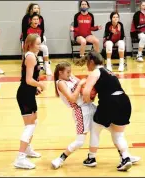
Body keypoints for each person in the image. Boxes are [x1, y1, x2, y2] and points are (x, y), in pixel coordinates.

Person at [81, 51, 140, 171]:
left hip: (110, 102)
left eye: (87, 63)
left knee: (95, 128)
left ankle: (91, 158)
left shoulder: (95, 72)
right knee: (118, 134)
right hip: (124, 101)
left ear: (91, 62)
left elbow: (87, 91)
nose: (87, 66)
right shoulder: (109, 71)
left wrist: (87, 102)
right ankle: (126, 156)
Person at [51, 62, 98, 169]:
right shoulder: (61, 83)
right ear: (60, 73)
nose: (70, 74)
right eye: (68, 72)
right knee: (80, 142)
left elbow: (84, 82)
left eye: (70, 71)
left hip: (89, 105)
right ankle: (60, 159)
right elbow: (72, 98)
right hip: (80, 111)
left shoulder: (70, 77)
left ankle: (124, 154)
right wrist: (80, 85)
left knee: (109, 125)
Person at [14, 34, 45, 169]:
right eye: (38, 44)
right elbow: (28, 80)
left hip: (29, 93)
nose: (40, 46)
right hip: (25, 94)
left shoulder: (31, 55)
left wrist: (35, 88)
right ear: (31, 44)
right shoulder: (31, 56)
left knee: (34, 121)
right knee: (30, 126)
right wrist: (40, 85)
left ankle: (27, 149)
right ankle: (20, 158)